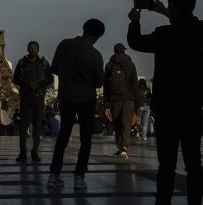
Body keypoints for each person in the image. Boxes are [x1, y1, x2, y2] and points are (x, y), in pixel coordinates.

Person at [127, 0, 203, 205]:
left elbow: (136, 42)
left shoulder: (164, 34)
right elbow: (188, 26)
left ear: (173, 6)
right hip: (193, 104)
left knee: (167, 165)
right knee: (194, 164)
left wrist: (134, 20)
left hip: (167, 107)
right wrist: (167, 11)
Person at [47, 18, 105, 189]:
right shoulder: (95, 55)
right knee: (86, 139)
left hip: (66, 97)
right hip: (86, 98)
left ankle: (54, 174)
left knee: (63, 137)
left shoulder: (64, 45)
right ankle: (79, 177)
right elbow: (99, 83)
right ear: (97, 36)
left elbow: (54, 69)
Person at [13, 41, 53, 162]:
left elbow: (50, 79)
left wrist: (38, 84)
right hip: (26, 96)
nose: (33, 50)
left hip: (38, 97)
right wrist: (26, 84)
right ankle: (23, 152)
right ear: (27, 49)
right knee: (24, 126)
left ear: (38, 49)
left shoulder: (44, 63)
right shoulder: (22, 63)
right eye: (31, 48)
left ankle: (35, 151)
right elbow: (15, 79)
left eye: (35, 48)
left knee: (37, 126)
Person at [103, 43, 140, 159]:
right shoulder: (131, 65)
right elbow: (135, 84)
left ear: (114, 51)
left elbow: (106, 86)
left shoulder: (109, 65)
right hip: (129, 98)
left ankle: (120, 147)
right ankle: (124, 147)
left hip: (114, 99)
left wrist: (107, 105)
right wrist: (137, 105)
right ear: (124, 51)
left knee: (117, 123)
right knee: (126, 122)